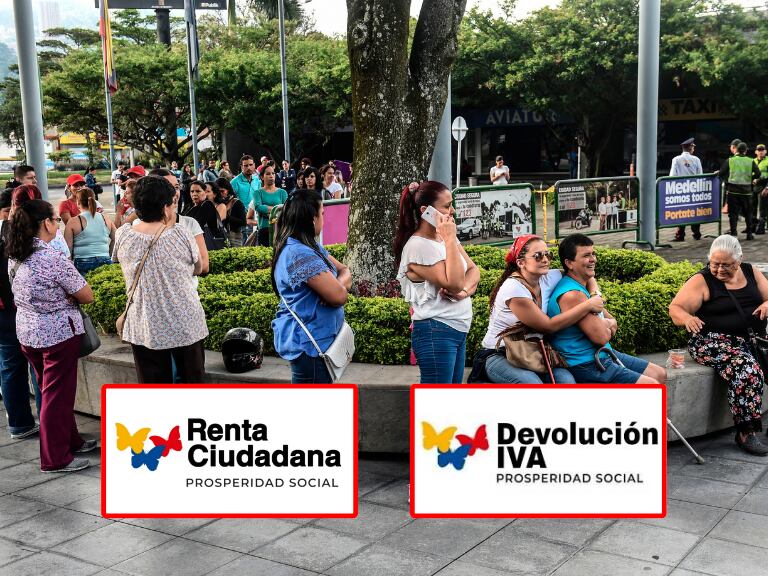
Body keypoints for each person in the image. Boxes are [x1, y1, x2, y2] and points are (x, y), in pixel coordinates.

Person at [8, 199, 96, 472]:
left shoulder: (15, 255)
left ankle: (72, 441)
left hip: (28, 332)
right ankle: (55, 458)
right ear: (46, 223)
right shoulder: (51, 257)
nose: (58, 224)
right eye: (56, 219)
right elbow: (87, 295)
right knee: (56, 398)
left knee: (51, 392)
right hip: (57, 335)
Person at [669, 235, 768, 455]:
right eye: (715, 264)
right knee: (746, 369)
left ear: (739, 261)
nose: (719, 269)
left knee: (752, 361)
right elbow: (676, 308)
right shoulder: (702, 280)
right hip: (713, 341)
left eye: (726, 265)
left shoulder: (751, 272)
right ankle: (746, 432)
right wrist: (687, 318)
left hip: (752, 339)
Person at [112, 176, 208, 383]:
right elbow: (199, 268)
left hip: (144, 323)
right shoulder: (181, 233)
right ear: (166, 207)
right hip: (184, 321)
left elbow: (118, 260)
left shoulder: (123, 235)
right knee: (192, 382)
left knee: (153, 387)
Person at [480, 235, 605, 383]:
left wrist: (594, 294)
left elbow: (584, 274)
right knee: (532, 384)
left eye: (548, 254)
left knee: (567, 382)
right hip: (500, 354)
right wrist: (589, 305)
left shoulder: (548, 277)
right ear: (520, 262)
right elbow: (548, 326)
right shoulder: (514, 289)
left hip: (534, 352)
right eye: (538, 256)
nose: (545, 260)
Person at [547, 234, 666, 384]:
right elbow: (602, 337)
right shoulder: (573, 295)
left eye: (593, 254)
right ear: (569, 263)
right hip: (586, 363)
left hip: (603, 354)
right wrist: (607, 325)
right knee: (651, 386)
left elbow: (612, 321)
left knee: (659, 374)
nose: (593, 259)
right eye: (586, 256)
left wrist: (606, 323)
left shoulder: (581, 283)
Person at [394, 181, 480, 384]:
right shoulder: (417, 246)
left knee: (449, 404)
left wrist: (465, 292)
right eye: (447, 206)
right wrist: (450, 240)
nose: (453, 211)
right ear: (426, 211)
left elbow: (473, 271)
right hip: (436, 330)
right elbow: (455, 282)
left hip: (458, 329)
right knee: (436, 405)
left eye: (452, 204)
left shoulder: (443, 237)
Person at [271, 188, 352, 383]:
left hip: (320, 343)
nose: (323, 219)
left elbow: (345, 271)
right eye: (322, 214)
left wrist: (336, 286)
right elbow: (339, 297)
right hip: (311, 347)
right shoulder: (299, 254)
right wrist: (337, 289)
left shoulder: (309, 248)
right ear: (312, 219)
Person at [0, 188, 41, 441]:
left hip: (4, 311)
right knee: (39, 365)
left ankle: (19, 424)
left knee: (10, 366)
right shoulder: (24, 234)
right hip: (21, 309)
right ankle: (48, 423)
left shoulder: (7, 230)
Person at [63, 187, 116, 276]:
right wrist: (108, 254)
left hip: (82, 262)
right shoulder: (105, 218)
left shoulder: (74, 221)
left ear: (78, 202)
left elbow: (67, 248)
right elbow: (116, 238)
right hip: (105, 259)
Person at [719, 141, 760, 240]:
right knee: (748, 213)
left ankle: (734, 234)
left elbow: (721, 173)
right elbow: (758, 174)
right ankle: (749, 235)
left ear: (736, 150)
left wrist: (728, 179)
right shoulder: (750, 161)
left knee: (733, 214)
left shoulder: (730, 160)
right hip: (746, 192)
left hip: (733, 192)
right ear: (746, 151)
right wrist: (751, 178)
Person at [671, 138, 704, 241]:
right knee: (694, 211)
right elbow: (700, 175)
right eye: (693, 146)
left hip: (681, 191)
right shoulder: (696, 159)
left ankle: (680, 235)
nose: (694, 148)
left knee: (682, 211)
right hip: (694, 191)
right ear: (690, 148)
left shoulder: (676, 159)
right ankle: (696, 233)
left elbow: (672, 176)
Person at [248, 164, 287, 247]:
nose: (271, 176)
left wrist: (268, 211)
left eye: (273, 173)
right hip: (264, 230)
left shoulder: (282, 192)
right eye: (268, 174)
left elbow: (286, 210)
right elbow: (258, 207)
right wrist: (277, 209)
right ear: (262, 177)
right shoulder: (257, 193)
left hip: (280, 229)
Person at [185, 181, 227, 250]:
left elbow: (196, 224)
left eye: (198, 191)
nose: (194, 194)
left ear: (205, 192)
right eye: (192, 191)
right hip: (193, 245)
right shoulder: (189, 206)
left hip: (206, 246)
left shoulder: (207, 205)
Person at [217, 178, 246, 247]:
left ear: (228, 190)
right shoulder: (217, 203)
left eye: (222, 191)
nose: (220, 194)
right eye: (218, 192)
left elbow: (243, 222)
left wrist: (226, 217)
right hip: (220, 237)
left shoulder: (236, 202)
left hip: (234, 237)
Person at [752, 144, 768, 235]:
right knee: (752, 208)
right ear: (756, 151)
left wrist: (767, 188)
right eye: (759, 150)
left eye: (762, 150)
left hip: (764, 186)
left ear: (765, 151)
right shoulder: (753, 161)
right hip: (754, 187)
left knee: (762, 209)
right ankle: (753, 227)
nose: (761, 151)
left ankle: (761, 228)